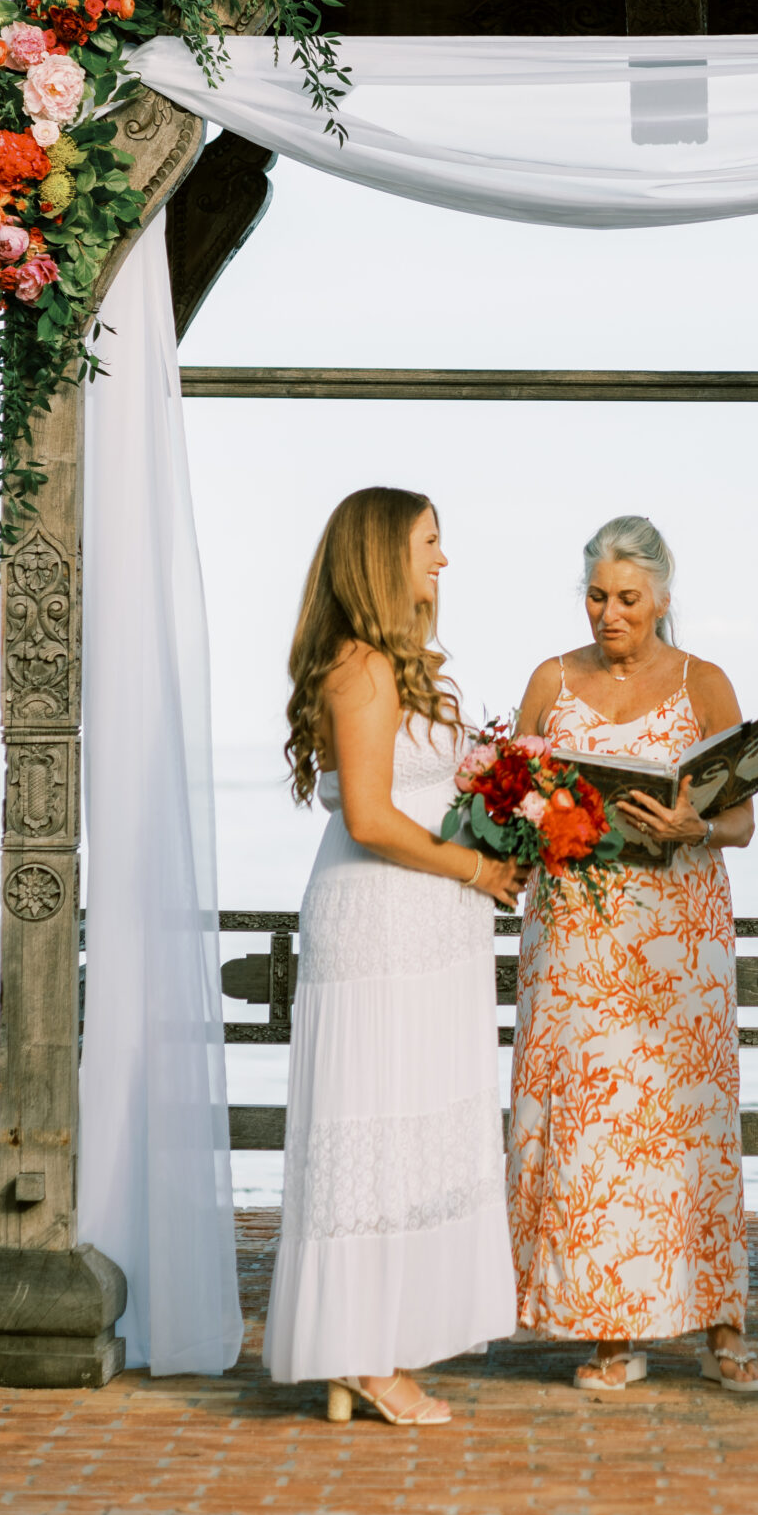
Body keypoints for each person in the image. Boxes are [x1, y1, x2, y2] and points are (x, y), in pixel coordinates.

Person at [264, 486, 521, 1425]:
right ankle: (363, 1352)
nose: (442, 562)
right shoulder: (363, 670)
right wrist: (474, 867)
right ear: (381, 557)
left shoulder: (399, 669)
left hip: (429, 925)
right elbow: (371, 818)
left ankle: (369, 1348)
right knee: (376, 1123)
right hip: (381, 922)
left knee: (416, 1125)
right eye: (429, 543)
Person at [508, 515, 758, 1395]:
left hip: (677, 941)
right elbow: (514, 796)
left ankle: (721, 1322)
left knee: (688, 1130)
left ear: (661, 595)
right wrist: (535, 814)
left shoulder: (706, 682)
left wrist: (699, 821)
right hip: (576, 939)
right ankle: (613, 1326)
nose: (608, 614)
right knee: (596, 1136)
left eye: (626, 598)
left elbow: (743, 815)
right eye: (596, 596)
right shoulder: (551, 679)